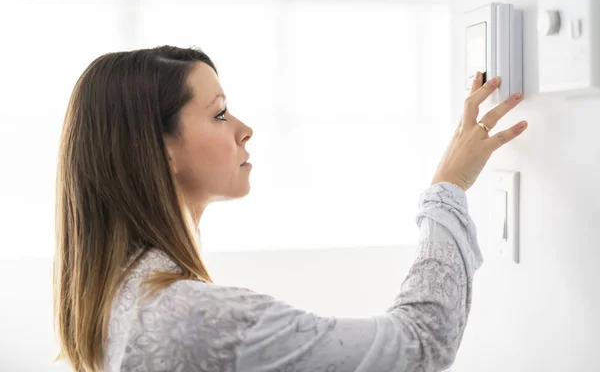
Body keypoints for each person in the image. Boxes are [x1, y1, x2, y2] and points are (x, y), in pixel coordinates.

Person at [53, 45, 528, 372]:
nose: (245, 129)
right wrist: (448, 188)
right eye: (219, 113)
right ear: (158, 150)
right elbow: (420, 344)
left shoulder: (117, 288)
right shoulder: (188, 315)